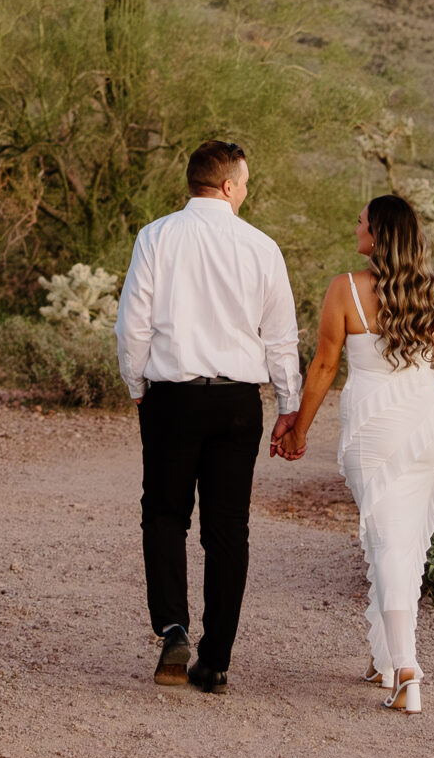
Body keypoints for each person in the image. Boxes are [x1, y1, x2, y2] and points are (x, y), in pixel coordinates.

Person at [115, 140, 301, 695]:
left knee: (165, 514)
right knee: (228, 531)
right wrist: (288, 407)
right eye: (244, 181)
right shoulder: (262, 247)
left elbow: (133, 326)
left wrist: (138, 385)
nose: (247, 189)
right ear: (226, 186)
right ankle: (215, 658)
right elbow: (281, 337)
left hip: (172, 397)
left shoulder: (156, 236)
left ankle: (173, 629)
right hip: (237, 403)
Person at [276, 194, 434, 714]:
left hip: (372, 427)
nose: (354, 225)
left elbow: (322, 368)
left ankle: (406, 670)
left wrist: (297, 429)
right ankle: (387, 657)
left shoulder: (346, 289)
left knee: (387, 540)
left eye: (360, 221)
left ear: (379, 234)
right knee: (399, 541)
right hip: (425, 424)